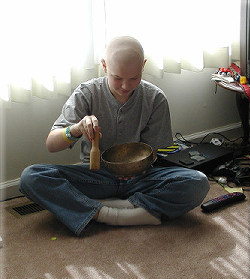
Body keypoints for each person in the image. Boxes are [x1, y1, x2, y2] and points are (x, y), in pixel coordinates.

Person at [19, 36, 210, 236]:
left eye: (134, 78)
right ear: (104, 65)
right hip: (96, 176)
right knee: (31, 177)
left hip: (140, 178)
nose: (126, 86)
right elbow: (51, 144)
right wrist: (75, 129)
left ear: (143, 66)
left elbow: (153, 152)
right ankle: (112, 213)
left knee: (198, 182)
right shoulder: (87, 93)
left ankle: (104, 208)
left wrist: (142, 165)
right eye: (117, 78)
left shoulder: (155, 98)